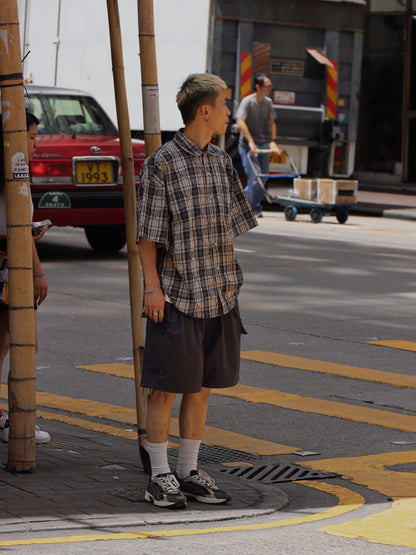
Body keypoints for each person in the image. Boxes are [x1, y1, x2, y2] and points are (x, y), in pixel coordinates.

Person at [136, 73, 257, 509]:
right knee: (166, 388)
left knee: (202, 386)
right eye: (225, 103)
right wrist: (152, 288)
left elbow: (234, 225)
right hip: (176, 295)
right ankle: (159, 476)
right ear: (204, 110)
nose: (229, 110)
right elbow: (146, 239)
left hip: (220, 293)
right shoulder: (161, 163)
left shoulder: (221, 162)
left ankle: (188, 471)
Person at [0, 112, 50, 443]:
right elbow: (16, 232)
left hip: (11, 260)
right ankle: (16, 418)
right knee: (23, 342)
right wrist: (38, 272)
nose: (36, 143)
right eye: (31, 136)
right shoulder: (13, 175)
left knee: (8, 341)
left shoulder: (15, 173)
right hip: (10, 265)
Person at [236, 73, 283, 217]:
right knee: (255, 177)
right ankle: (252, 208)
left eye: (270, 86)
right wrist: (250, 142)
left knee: (263, 176)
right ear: (258, 87)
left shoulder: (268, 102)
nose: (270, 88)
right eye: (267, 86)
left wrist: (273, 142)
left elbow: (271, 123)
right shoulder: (247, 102)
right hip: (247, 145)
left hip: (261, 145)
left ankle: (240, 204)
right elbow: (240, 122)